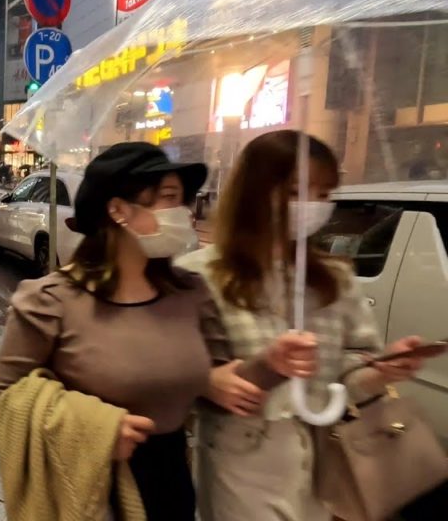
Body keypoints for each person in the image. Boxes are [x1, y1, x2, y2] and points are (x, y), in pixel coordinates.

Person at [177, 130, 429, 521]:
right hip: (239, 452)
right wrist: (206, 382)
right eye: (298, 191)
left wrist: (382, 370)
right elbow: (170, 372)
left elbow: (352, 367)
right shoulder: (198, 275)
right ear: (255, 193)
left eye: (324, 194)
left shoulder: (335, 277)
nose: (312, 205)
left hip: (320, 450)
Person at [0, 142, 212, 520]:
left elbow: (214, 379)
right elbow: (1, 397)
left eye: (182, 199)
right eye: (168, 198)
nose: (183, 212)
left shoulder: (191, 293)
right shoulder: (50, 300)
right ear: (119, 210)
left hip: (173, 486)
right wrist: (97, 429)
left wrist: (263, 365)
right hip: (87, 494)